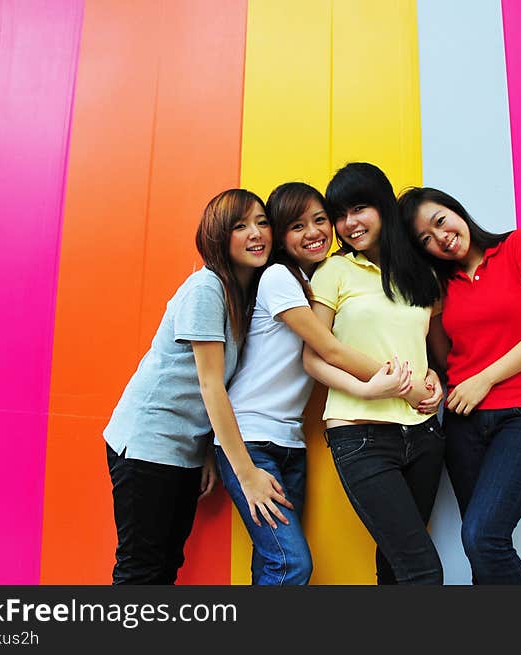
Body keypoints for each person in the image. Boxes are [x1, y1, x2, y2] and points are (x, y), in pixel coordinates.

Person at [219, 182, 414, 585]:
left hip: (289, 443)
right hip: (249, 440)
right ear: (278, 236)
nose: (313, 232)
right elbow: (329, 349)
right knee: (292, 565)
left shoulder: (318, 279)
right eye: (296, 226)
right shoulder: (277, 278)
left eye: (320, 220)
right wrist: (401, 382)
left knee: (272, 561)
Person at [102, 188, 286, 585]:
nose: (256, 233)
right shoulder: (207, 288)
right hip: (148, 442)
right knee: (141, 571)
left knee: (166, 566)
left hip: (183, 450)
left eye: (262, 222)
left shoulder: (240, 294)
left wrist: (203, 453)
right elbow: (210, 384)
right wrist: (247, 473)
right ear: (219, 236)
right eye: (240, 226)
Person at [398, 186, 521, 584]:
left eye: (440, 221)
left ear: (456, 211)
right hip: (464, 422)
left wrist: (485, 379)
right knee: (481, 553)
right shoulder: (442, 288)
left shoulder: (517, 245)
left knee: (483, 537)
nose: (440, 237)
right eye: (426, 239)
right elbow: (441, 360)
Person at [303, 162, 445, 584]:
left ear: (383, 206)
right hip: (361, 436)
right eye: (340, 214)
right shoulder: (333, 272)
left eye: (360, 208)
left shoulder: (422, 276)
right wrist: (366, 390)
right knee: (423, 570)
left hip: (424, 436)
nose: (349, 224)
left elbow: (428, 350)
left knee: (396, 567)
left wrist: (434, 378)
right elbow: (313, 357)